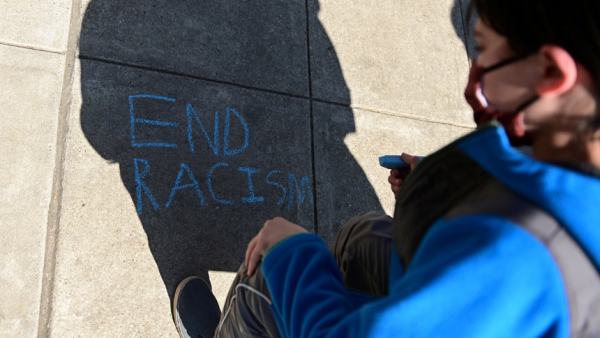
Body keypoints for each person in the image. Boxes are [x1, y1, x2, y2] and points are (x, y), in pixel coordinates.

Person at [173, 0, 600, 336]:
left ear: (550, 72)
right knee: (364, 237)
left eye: (485, 48)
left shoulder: (513, 257)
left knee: (268, 279)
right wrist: (441, 193)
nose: (475, 67)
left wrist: (294, 253)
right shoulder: (575, 151)